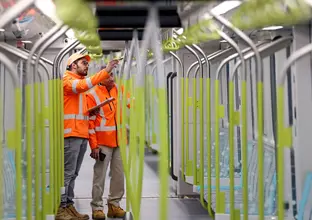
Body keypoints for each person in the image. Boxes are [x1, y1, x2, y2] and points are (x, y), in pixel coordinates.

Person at [55, 53, 119, 220]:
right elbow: (83, 85)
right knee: (67, 174)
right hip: (70, 134)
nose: (86, 65)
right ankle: (60, 208)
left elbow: (77, 109)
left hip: (80, 133)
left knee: (73, 173)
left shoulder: (79, 85)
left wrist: (92, 111)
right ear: (73, 65)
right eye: (83, 63)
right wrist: (106, 71)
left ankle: (68, 206)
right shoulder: (68, 81)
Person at [86, 70, 131, 220]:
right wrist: (94, 145)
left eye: (113, 75)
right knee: (100, 176)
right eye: (108, 75)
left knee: (118, 175)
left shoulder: (120, 89)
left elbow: (133, 104)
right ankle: (97, 207)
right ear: (101, 77)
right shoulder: (92, 95)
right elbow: (90, 123)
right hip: (103, 142)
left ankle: (114, 205)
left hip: (120, 141)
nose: (112, 78)